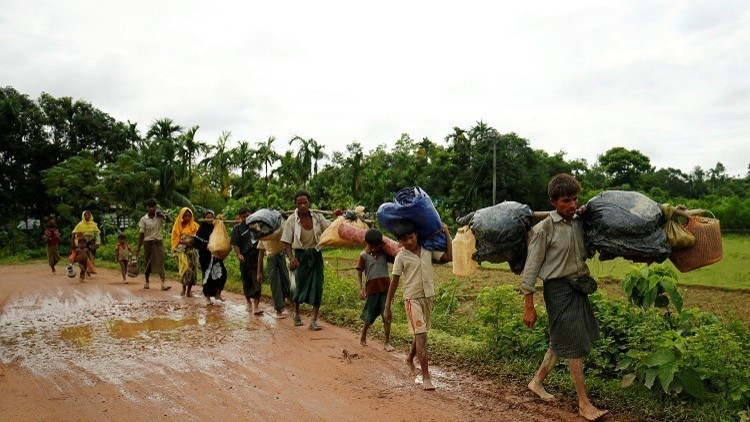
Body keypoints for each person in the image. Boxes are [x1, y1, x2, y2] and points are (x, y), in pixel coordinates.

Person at [520, 173, 608, 421]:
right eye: (565, 201)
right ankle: (583, 403)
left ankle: (536, 382)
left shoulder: (579, 222)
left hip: (578, 287)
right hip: (557, 291)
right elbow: (531, 268)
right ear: (553, 202)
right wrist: (529, 305)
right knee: (574, 344)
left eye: (574, 199)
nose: (571, 205)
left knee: (562, 339)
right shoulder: (544, 229)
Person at [384, 220, 452, 390]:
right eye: (404, 240)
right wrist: (387, 306)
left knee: (420, 332)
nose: (408, 242)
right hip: (411, 299)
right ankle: (426, 377)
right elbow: (394, 281)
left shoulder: (428, 250)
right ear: (399, 242)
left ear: (417, 235)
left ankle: (409, 359)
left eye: (411, 237)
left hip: (428, 297)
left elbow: (448, 257)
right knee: (421, 335)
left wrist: (447, 233)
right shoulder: (401, 256)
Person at [281, 190, 331, 330]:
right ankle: (296, 314)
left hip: (316, 254)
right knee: (300, 285)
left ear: (309, 202)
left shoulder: (317, 217)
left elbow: (329, 228)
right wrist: (291, 258)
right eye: (299, 203)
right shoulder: (292, 220)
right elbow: (286, 242)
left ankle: (314, 320)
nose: (302, 205)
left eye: (305, 202)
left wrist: (340, 218)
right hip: (300, 256)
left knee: (318, 285)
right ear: (295, 204)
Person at [356, 228, 395, 352]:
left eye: (376, 246)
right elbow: (359, 273)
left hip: (385, 289)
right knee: (369, 314)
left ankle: (387, 342)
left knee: (387, 315)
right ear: (366, 243)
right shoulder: (363, 255)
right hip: (372, 289)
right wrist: (360, 289)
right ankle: (363, 334)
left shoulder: (385, 252)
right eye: (370, 246)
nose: (373, 249)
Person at [257, 221, 292, 319]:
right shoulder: (262, 237)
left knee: (286, 281)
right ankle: (279, 310)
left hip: (281, 257)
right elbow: (260, 254)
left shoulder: (278, 232)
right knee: (275, 284)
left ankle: (292, 305)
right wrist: (259, 272)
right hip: (271, 260)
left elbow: (288, 244)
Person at [231, 206, 262, 314]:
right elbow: (235, 243)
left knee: (257, 280)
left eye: (248, 216)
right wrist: (238, 254)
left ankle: (256, 306)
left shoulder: (256, 226)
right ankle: (248, 302)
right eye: (243, 217)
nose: (246, 218)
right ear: (240, 217)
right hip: (245, 258)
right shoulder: (237, 228)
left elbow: (262, 239)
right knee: (246, 280)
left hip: (256, 257)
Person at [135, 198, 171, 291]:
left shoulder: (159, 217)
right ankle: (146, 281)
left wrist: (164, 214)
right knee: (148, 262)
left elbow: (170, 221)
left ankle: (163, 283)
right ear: (147, 208)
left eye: (153, 206)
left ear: (156, 207)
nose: (152, 208)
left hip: (158, 242)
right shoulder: (143, 219)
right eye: (150, 207)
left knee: (160, 261)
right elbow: (141, 234)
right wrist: (138, 248)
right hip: (148, 242)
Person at [194, 210, 228, 306]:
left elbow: (221, 240)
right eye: (207, 217)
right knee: (207, 277)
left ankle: (218, 294)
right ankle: (207, 298)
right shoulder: (201, 230)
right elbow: (195, 244)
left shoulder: (217, 228)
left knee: (222, 274)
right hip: (205, 257)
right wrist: (207, 247)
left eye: (211, 217)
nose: (209, 219)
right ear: (205, 218)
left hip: (216, 257)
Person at [171, 207, 200, 297]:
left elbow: (198, 238)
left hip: (193, 252)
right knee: (185, 270)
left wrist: (192, 241)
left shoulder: (195, 226)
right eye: (185, 216)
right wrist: (184, 241)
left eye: (189, 216)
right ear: (182, 216)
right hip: (182, 252)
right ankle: (183, 289)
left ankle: (189, 291)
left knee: (192, 270)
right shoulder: (177, 226)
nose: (187, 218)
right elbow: (175, 239)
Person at [71, 210, 101, 277]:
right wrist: (73, 242)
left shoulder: (93, 225)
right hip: (83, 243)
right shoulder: (80, 225)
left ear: (90, 216)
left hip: (91, 243)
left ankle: (89, 270)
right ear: (83, 216)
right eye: (85, 215)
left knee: (91, 256)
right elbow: (74, 233)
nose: (87, 216)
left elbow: (97, 234)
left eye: (88, 215)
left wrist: (98, 242)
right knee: (85, 255)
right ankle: (86, 270)